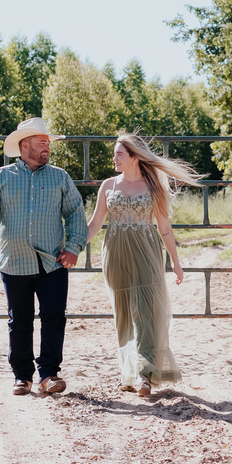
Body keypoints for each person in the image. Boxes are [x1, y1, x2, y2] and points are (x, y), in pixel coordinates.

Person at [0, 117, 87, 397]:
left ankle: (48, 374)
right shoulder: (0, 177)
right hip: (15, 261)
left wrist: (74, 246)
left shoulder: (60, 177)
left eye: (48, 142)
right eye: (41, 142)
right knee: (19, 321)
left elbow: (75, 212)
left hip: (52, 262)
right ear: (24, 145)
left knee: (54, 318)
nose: (47, 146)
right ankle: (22, 377)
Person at [86, 131, 202, 397]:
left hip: (147, 254)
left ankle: (144, 374)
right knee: (124, 313)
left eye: (119, 154)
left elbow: (165, 227)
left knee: (146, 311)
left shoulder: (153, 187)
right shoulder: (108, 186)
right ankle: (128, 371)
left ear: (134, 158)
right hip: (115, 254)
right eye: (115, 154)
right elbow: (94, 224)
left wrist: (176, 261)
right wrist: (73, 247)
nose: (114, 158)